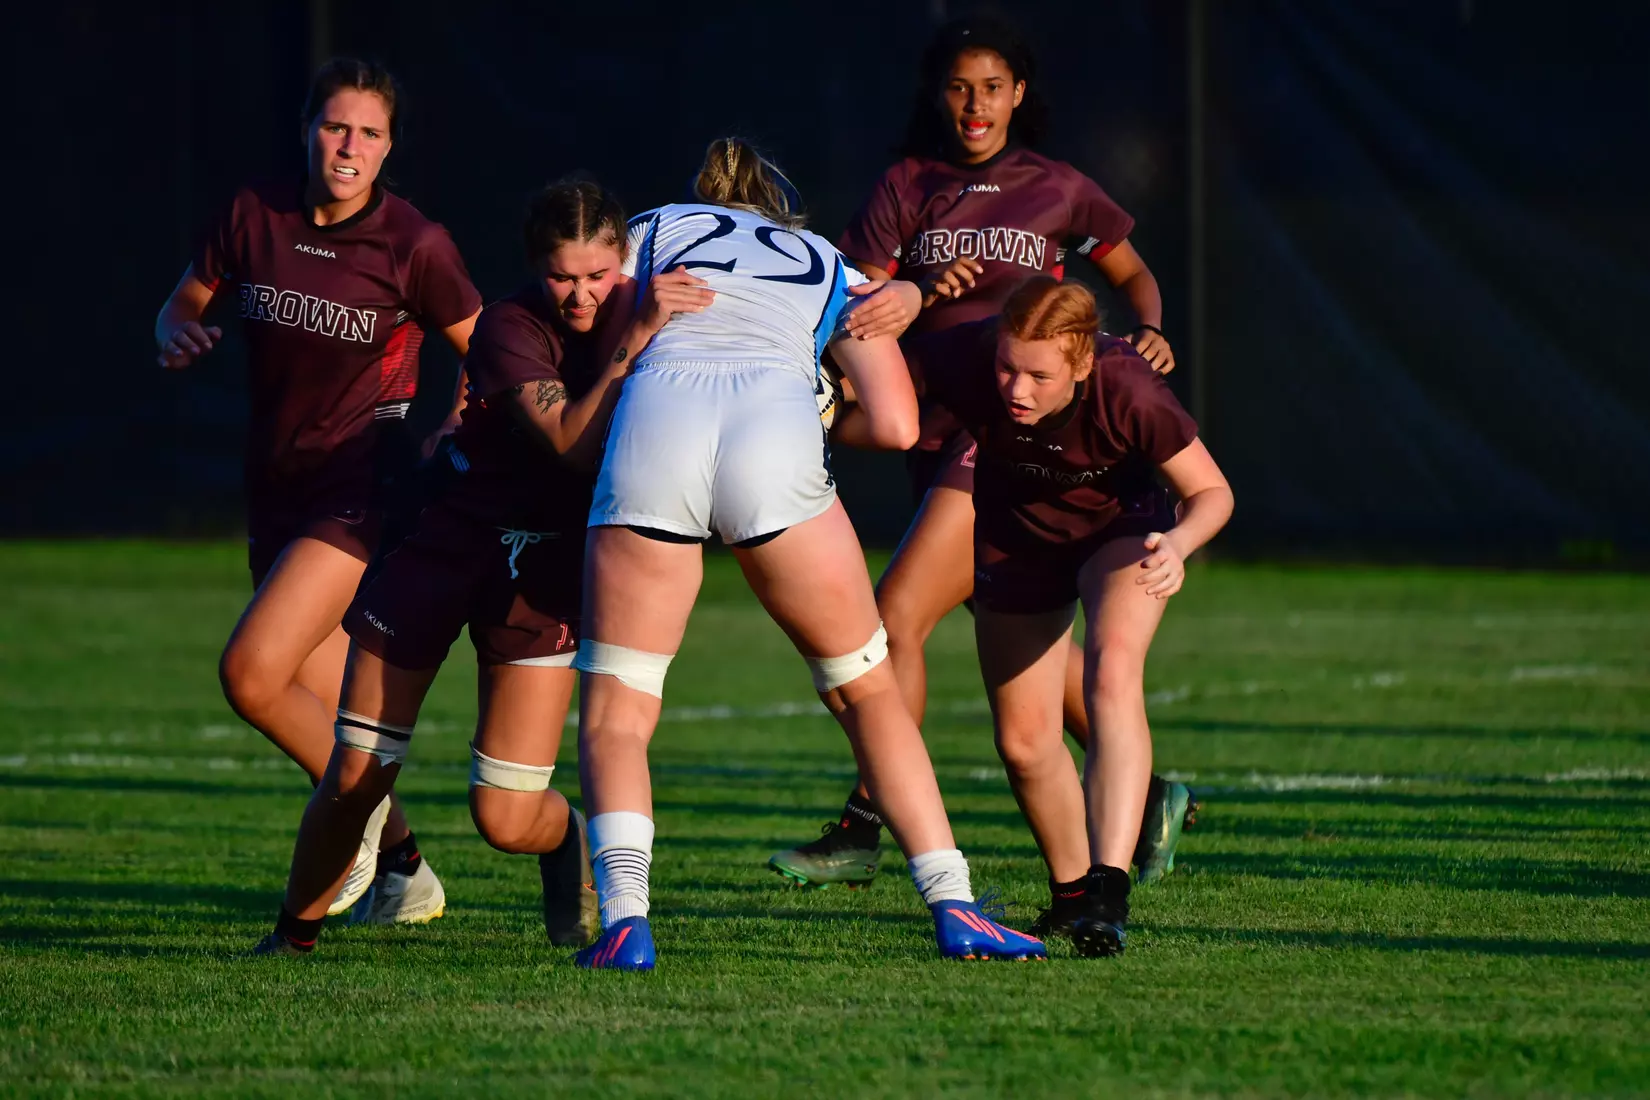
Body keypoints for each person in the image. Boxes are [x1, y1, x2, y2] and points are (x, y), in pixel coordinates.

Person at [570, 138, 1046, 970]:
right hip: (775, 426)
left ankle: (625, 921)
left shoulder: (649, 227)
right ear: (775, 210)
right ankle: (956, 905)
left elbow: (585, 307)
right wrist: (821, 414)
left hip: (660, 421)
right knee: (869, 695)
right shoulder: (829, 263)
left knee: (619, 713)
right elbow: (898, 424)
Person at [769, 15, 1197, 892]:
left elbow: (1134, 273)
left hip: (1004, 429)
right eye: (960, 86)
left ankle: (865, 822)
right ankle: (1147, 791)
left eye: (993, 87)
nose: (976, 104)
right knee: (1021, 644)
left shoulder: (1058, 187)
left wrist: (1151, 327)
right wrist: (920, 291)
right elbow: (852, 304)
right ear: (939, 94)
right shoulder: (907, 185)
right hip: (931, 415)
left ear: (1019, 96)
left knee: (894, 621)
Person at [251, 178, 715, 956]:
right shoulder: (508, 324)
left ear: (622, 264)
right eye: (563, 276)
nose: (580, 294)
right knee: (360, 768)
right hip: (449, 542)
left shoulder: (652, 312)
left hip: (545, 567)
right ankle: (292, 935)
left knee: (503, 815)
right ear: (538, 266)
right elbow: (568, 439)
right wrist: (637, 341)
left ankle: (564, 839)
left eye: (599, 276)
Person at [155, 57, 482, 918]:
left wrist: (458, 422)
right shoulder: (252, 214)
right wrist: (181, 331)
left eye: (370, 133)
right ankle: (407, 870)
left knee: (252, 676)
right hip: (274, 487)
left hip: (360, 488)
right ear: (308, 129)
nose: (350, 146)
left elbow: (488, 350)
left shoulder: (414, 242)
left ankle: (357, 831)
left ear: (388, 149)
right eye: (337, 126)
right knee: (346, 716)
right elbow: (181, 302)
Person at [906, 275, 1232, 953]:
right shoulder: (967, 354)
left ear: (1083, 363)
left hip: (1120, 535)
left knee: (1111, 672)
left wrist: (1178, 543)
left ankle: (1109, 894)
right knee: (1024, 743)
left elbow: (1212, 492)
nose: (1015, 390)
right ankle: (1073, 895)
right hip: (1014, 539)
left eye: (1038, 375)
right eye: (1006, 367)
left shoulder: (1127, 386)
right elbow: (876, 384)